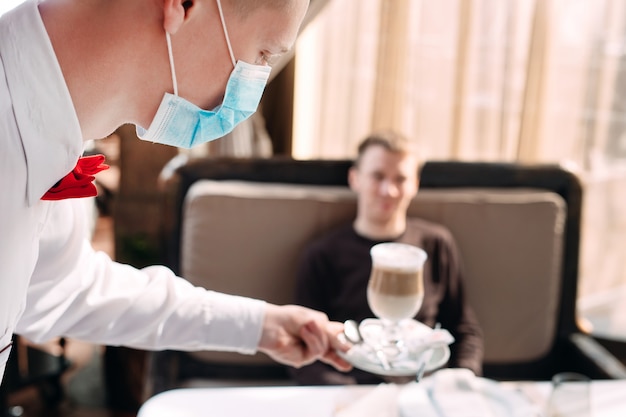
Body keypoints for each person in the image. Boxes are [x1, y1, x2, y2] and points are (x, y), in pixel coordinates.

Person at [0, 0, 352, 387]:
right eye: (262, 53)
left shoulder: (51, 130)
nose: (253, 90)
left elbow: (60, 287)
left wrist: (259, 325)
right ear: (182, 6)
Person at [291, 131, 484, 385]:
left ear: (415, 184)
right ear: (355, 178)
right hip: (352, 395)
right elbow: (305, 347)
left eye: (401, 179)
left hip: (422, 390)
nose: (389, 190)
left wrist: (460, 382)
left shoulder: (437, 244)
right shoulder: (323, 254)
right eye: (378, 176)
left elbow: (464, 330)